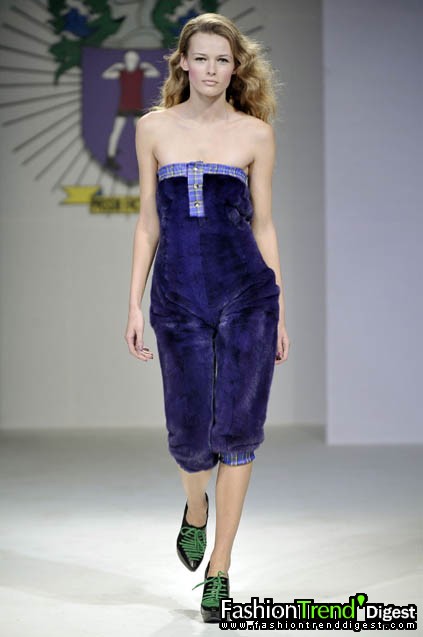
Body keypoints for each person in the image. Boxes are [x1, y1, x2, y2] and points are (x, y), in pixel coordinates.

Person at [124, 11, 290, 623]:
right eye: (202, 58)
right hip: (177, 297)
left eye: (223, 59)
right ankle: (196, 509)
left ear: (235, 67)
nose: (212, 69)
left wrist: (279, 311)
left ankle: (220, 568)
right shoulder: (153, 129)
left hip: (247, 295)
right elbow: (149, 222)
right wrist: (133, 302)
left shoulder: (255, 135)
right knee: (191, 437)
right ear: (184, 64)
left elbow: (263, 225)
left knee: (239, 431)